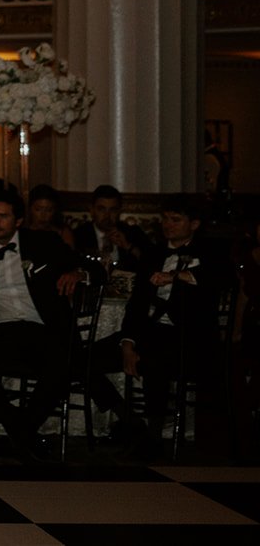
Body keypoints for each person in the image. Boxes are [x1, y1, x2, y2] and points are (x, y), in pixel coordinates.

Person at [86, 195, 232, 455]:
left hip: (190, 337)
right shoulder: (154, 253)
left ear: (194, 224)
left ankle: (153, 434)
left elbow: (221, 275)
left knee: (157, 353)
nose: (168, 225)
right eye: (165, 219)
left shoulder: (211, 251)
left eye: (176, 220)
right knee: (86, 358)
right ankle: (129, 419)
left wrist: (176, 276)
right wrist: (128, 342)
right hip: (147, 332)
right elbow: (137, 304)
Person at [0, 187, 88, 459]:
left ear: (18, 220)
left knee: (61, 363)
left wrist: (74, 272)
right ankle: (21, 432)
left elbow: (88, 265)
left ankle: (20, 431)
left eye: (3, 216)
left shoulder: (43, 243)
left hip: (38, 328)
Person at [71, 184, 151, 270]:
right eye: (101, 209)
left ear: (119, 211)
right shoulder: (79, 235)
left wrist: (128, 246)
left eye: (113, 210)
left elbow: (151, 262)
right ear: (92, 210)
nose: (107, 216)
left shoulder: (133, 233)